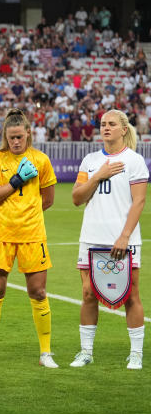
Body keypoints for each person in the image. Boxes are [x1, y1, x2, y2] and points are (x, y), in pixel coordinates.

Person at [0, 109, 57, 368]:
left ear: (28, 134)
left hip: (32, 236)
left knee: (38, 292)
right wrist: (16, 181)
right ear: (5, 136)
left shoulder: (41, 160)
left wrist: (27, 214)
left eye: (19, 137)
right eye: (11, 137)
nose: (15, 142)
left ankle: (46, 352)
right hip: (0, 235)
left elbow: (48, 199)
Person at [70, 110, 147, 369]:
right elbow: (77, 198)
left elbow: (139, 201)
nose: (106, 128)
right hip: (91, 237)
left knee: (131, 295)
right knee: (88, 293)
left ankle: (136, 353)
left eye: (111, 124)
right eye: (103, 124)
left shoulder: (134, 161)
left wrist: (124, 236)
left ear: (124, 129)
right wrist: (98, 175)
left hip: (123, 239)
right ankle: (86, 352)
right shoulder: (90, 160)